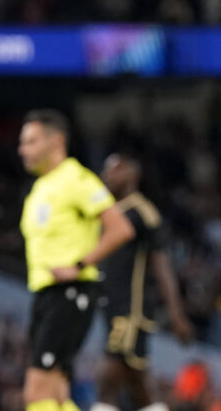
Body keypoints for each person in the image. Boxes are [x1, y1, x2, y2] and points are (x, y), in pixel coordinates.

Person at [17, 109, 134, 411]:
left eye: (30, 141)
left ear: (55, 141)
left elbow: (120, 228)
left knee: (36, 390)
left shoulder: (76, 179)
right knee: (56, 390)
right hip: (46, 293)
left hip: (70, 292)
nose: (22, 150)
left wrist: (80, 265)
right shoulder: (41, 187)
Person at [91, 153, 193, 411]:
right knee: (137, 385)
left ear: (131, 174)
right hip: (112, 307)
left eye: (114, 170)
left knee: (107, 379)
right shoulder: (111, 213)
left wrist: (176, 314)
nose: (106, 175)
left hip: (131, 309)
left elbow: (161, 265)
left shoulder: (142, 211)